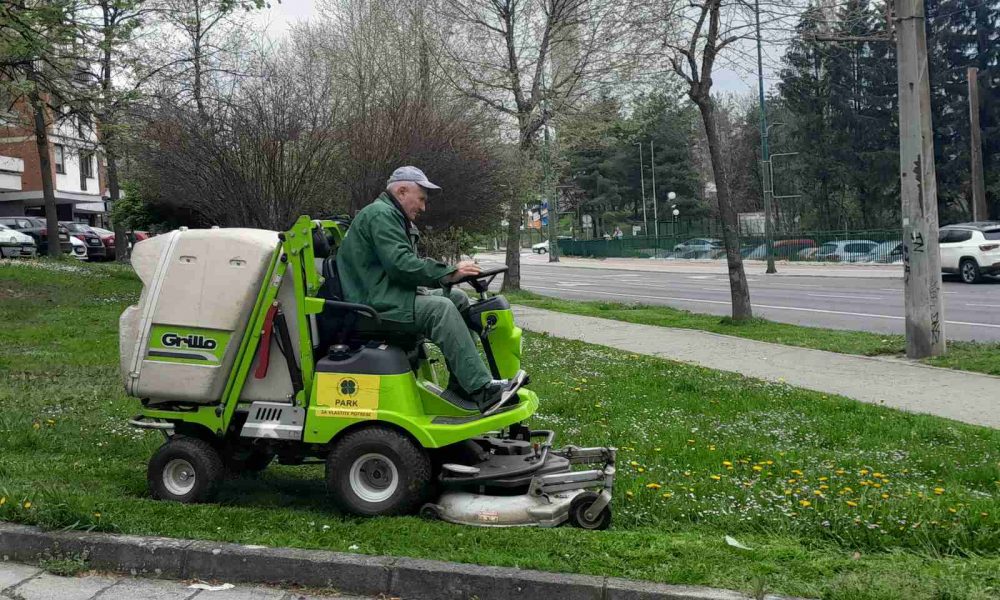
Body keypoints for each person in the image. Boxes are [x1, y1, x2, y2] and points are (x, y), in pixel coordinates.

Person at [335, 166, 509, 410]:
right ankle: (481, 389)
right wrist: (449, 272)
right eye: (421, 199)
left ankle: (462, 385)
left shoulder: (390, 215)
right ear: (402, 190)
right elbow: (401, 265)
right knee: (441, 309)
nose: (424, 207)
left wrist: (451, 277)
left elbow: (400, 265)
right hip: (372, 304)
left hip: (385, 295)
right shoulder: (380, 215)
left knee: (457, 298)